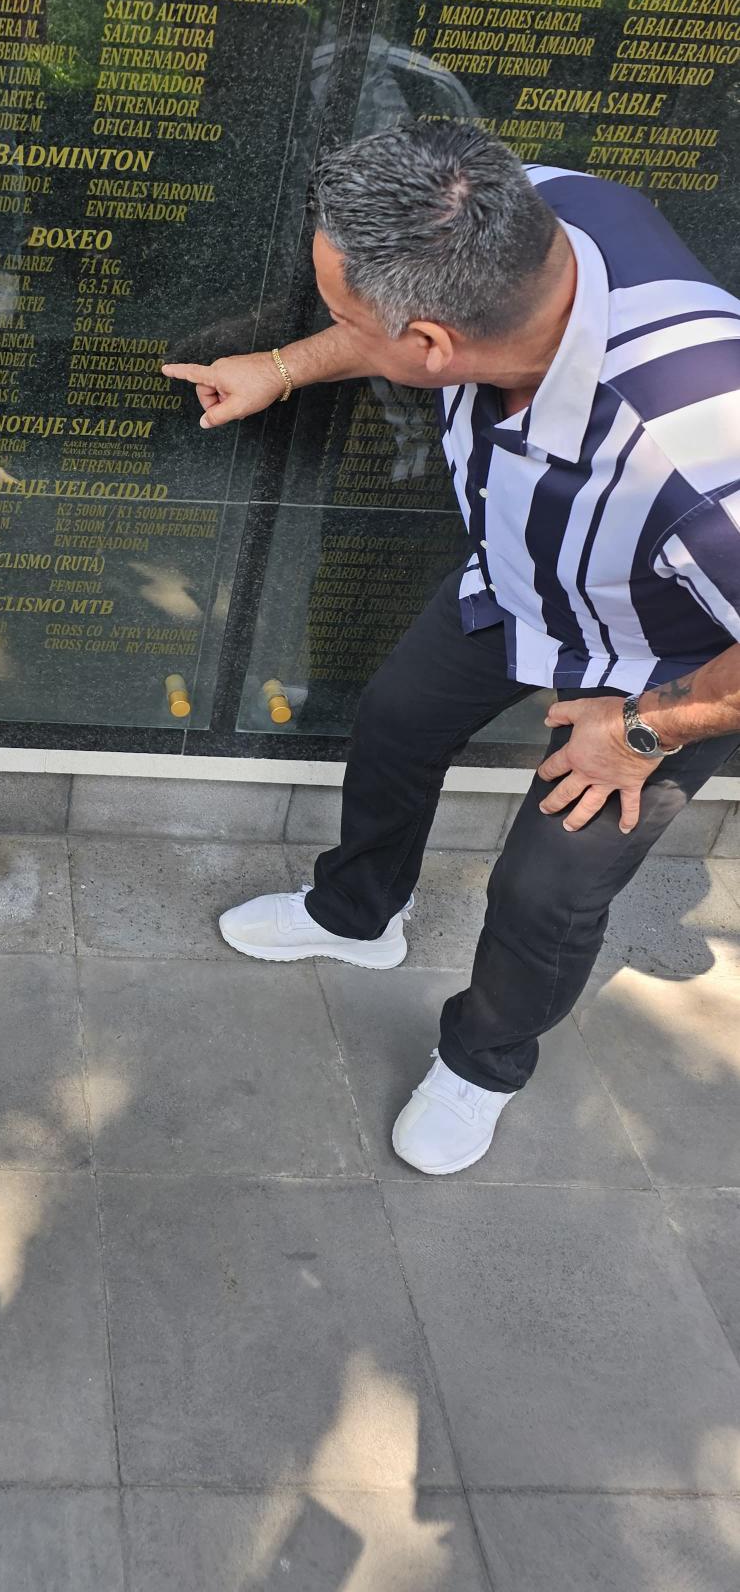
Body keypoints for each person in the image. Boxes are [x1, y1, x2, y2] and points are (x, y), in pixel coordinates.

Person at [164, 121, 740, 1174]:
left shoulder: (704, 453)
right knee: (393, 722)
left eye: (338, 316)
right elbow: (397, 315)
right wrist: (286, 365)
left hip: (666, 667)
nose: (331, 326)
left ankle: (483, 1059)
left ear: (431, 348)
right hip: (521, 579)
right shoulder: (523, 207)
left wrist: (650, 727)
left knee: (546, 890)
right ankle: (356, 912)